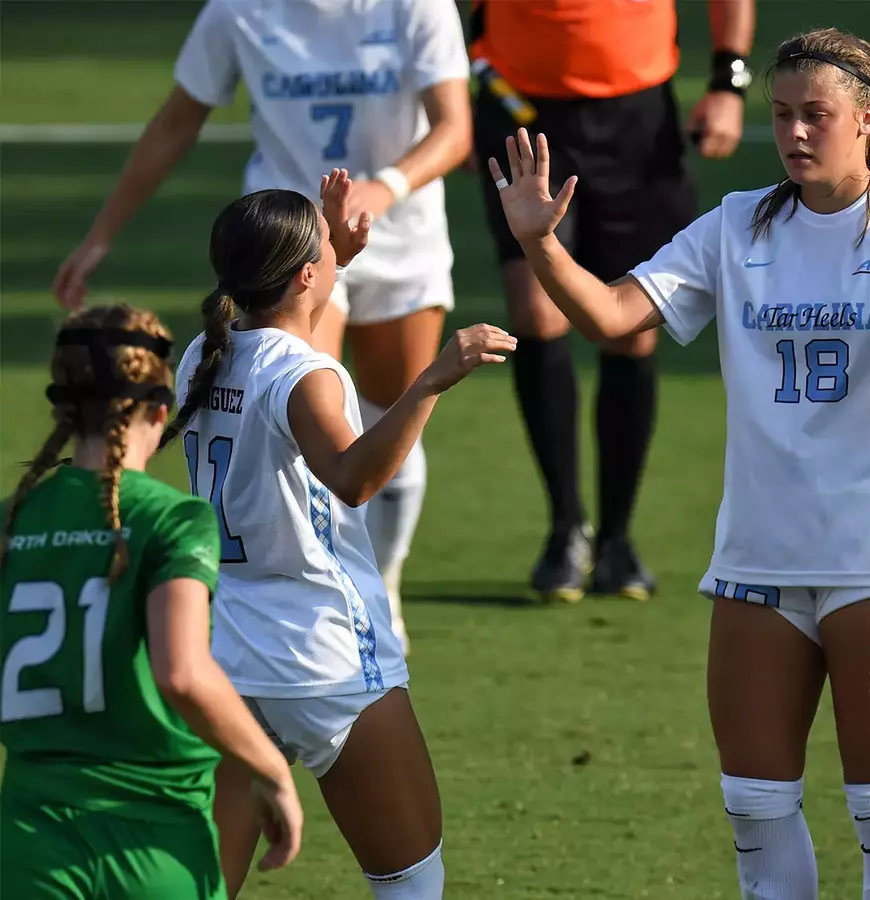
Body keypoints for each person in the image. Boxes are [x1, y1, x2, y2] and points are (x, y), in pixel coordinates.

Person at [492, 28, 870, 900]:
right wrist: (540, 245)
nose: (793, 133)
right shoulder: (735, 224)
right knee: (755, 813)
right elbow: (608, 318)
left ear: (868, 119)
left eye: (815, 115)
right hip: (757, 561)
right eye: (781, 114)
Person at [54, 0, 473, 652]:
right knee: (309, 409)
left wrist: (382, 189)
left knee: (388, 410)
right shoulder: (238, 10)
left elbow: (454, 129)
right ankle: (302, 595)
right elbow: (174, 123)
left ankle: (379, 581)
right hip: (290, 255)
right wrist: (100, 236)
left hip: (402, 237)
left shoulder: (415, 6)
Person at [167, 170, 514, 898]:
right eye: (327, 250)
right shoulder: (306, 374)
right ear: (302, 277)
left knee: (203, 888)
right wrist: (429, 383)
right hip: (324, 658)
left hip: (226, 654)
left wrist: (337, 263)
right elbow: (353, 478)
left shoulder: (201, 357)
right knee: (411, 881)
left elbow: (286, 350)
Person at [0, 305, 303, 899]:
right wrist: (271, 772)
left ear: (63, 406)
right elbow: (183, 674)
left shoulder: (12, 520)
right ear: (163, 410)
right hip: (154, 838)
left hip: (30, 836)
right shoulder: (171, 518)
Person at [470, 0, 754, 602]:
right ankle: (566, 525)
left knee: (632, 325)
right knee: (536, 312)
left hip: (636, 113)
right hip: (518, 102)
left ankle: (618, 540)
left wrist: (728, 79)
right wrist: (465, 71)